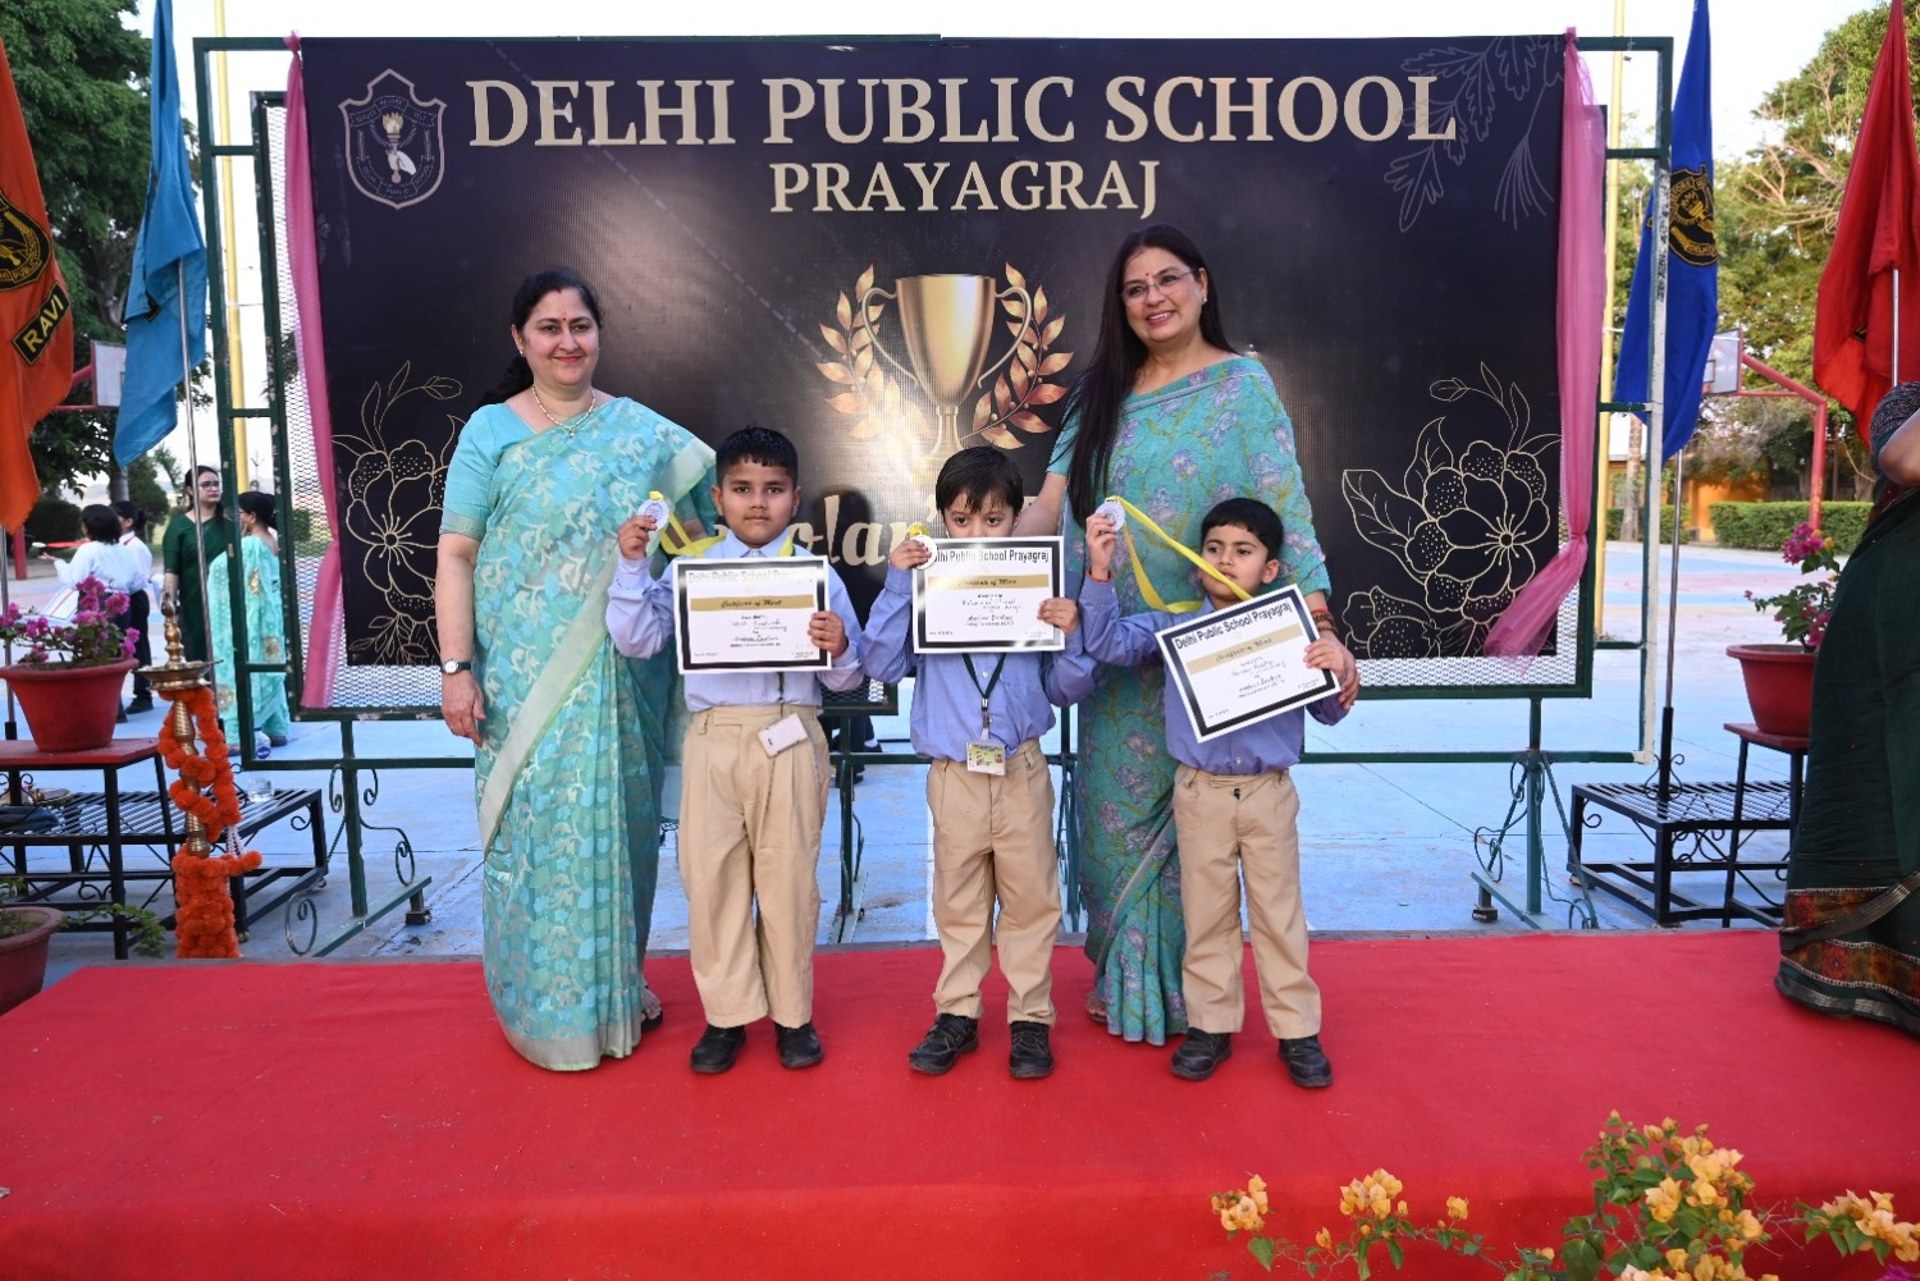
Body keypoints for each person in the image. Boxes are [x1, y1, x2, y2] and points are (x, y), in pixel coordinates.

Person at [1014, 223, 1358, 1045]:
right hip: (1118, 650)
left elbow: (1287, 509)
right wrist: (975, 566)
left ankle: (1202, 1008)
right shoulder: (1099, 396)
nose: (1153, 299)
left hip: (1216, 653)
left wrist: (1322, 626)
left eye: (1168, 280)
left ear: (1202, 283)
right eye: (1135, 288)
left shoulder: (1243, 387)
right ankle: (1134, 987)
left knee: (1208, 840)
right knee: (1115, 830)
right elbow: (1047, 507)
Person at [434, 266, 717, 1072]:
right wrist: (456, 668)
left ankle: (615, 991)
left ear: (599, 335)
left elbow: (701, 543)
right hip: (521, 687)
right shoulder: (491, 432)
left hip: (620, 682)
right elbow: (456, 555)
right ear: (520, 339)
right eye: (550, 327)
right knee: (535, 845)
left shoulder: (642, 434)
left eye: (581, 326)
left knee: (619, 836)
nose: (568, 342)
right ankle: (541, 1008)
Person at [606, 426, 864, 1075]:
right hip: (714, 738)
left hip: (790, 731)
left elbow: (848, 679)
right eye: (743, 489)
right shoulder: (691, 569)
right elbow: (637, 640)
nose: (758, 502)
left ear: (795, 498)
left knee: (788, 883)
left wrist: (838, 647)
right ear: (719, 497)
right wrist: (632, 567)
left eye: (773, 489)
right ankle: (725, 1016)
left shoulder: (818, 575)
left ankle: (792, 1016)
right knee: (713, 879)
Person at [1081, 498, 1352, 1085]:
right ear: (1197, 560)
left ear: (1270, 569)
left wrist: (1338, 662)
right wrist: (1099, 571)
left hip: (1267, 793)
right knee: (1206, 915)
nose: (1226, 561)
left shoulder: (1292, 633)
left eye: (1243, 551)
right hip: (1199, 792)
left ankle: (1297, 1031)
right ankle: (1211, 1026)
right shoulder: (1176, 629)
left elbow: (1331, 711)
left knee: (1280, 915)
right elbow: (1106, 644)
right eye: (1214, 549)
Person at [862, 447, 1095, 1080]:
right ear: (942, 520)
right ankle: (957, 1012)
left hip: (1021, 769)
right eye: (961, 521)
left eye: (993, 520)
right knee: (958, 900)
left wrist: (1071, 633)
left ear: (1017, 519)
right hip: (955, 774)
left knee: (1031, 899)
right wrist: (897, 584)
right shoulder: (923, 587)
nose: (977, 535)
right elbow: (881, 665)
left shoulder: (1036, 586)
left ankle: (1030, 1018)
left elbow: (1065, 688)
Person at [1776, 382, 1920, 1038]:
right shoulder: (1904, 407)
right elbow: (1905, 460)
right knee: (1884, 787)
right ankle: (1870, 969)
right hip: (1895, 626)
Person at [205, 491, 292, 754]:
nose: (233, 518)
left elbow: (221, 569)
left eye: (238, 514)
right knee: (269, 667)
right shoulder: (272, 540)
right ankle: (276, 727)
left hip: (254, 618)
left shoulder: (251, 545)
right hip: (272, 618)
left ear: (252, 517)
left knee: (242, 668)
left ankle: (239, 733)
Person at [47, 505, 147, 717]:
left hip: (95, 602)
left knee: (94, 656)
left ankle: (106, 709)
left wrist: (60, 565)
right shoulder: (123, 549)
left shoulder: (88, 550)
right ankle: (115, 707)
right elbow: (136, 580)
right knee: (114, 655)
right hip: (122, 602)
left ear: (88, 527)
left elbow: (75, 581)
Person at [162, 465, 232, 664]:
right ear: (191, 490)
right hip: (195, 602)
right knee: (200, 656)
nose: (213, 489)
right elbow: (172, 571)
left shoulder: (231, 522)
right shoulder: (179, 528)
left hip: (230, 598)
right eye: (206, 485)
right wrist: (170, 609)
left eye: (216, 484)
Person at [112, 501, 157, 713]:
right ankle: (115, 697)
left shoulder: (135, 547)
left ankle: (143, 694)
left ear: (128, 521)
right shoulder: (114, 545)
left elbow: (138, 578)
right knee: (116, 645)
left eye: (115, 517)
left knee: (138, 646)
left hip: (132, 598)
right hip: (118, 598)